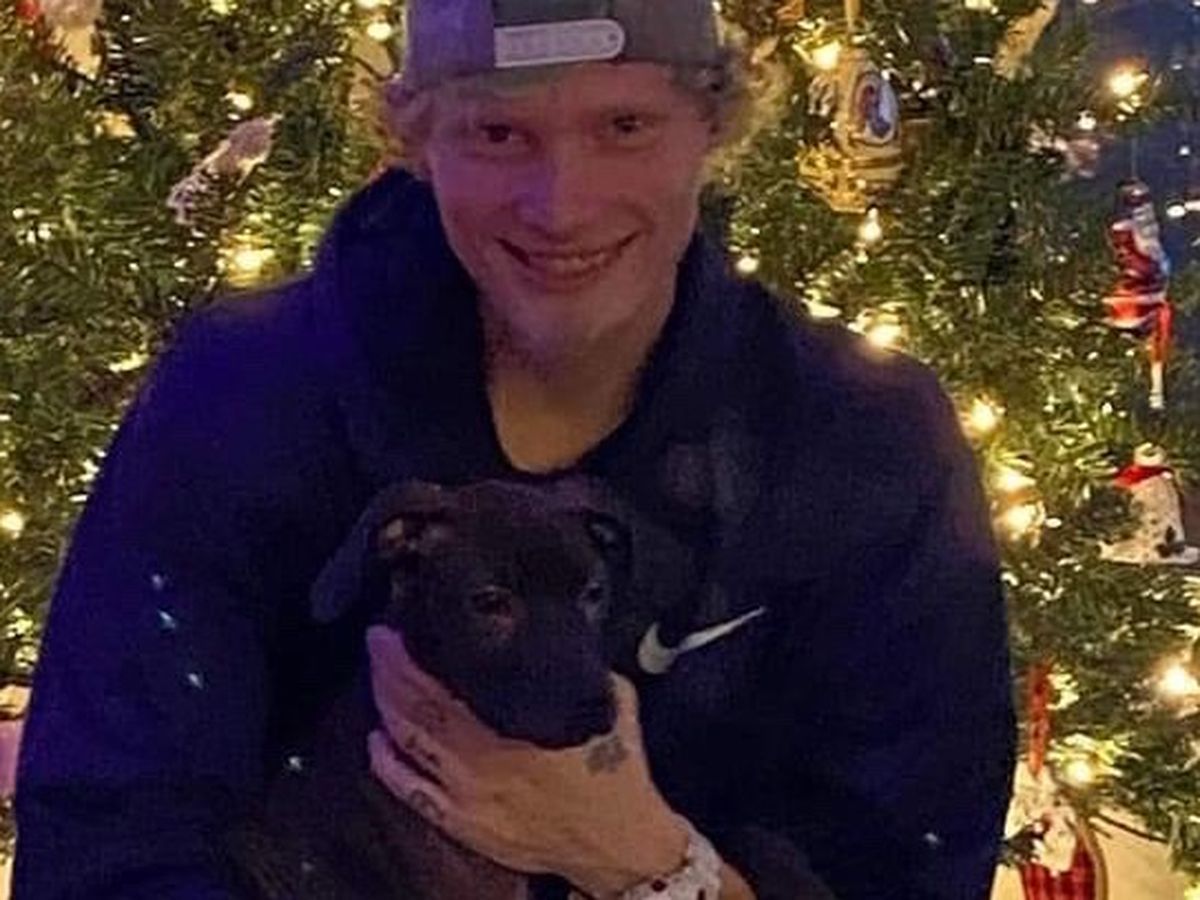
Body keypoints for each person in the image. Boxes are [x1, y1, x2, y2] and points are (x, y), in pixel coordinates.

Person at [12, 0, 1016, 897]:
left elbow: (910, 864)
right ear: (416, 137)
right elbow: (109, 833)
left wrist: (649, 865)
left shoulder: (865, 439)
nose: (561, 204)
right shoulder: (240, 395)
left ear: (711, 124)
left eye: (625, 126)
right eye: (498, 132)